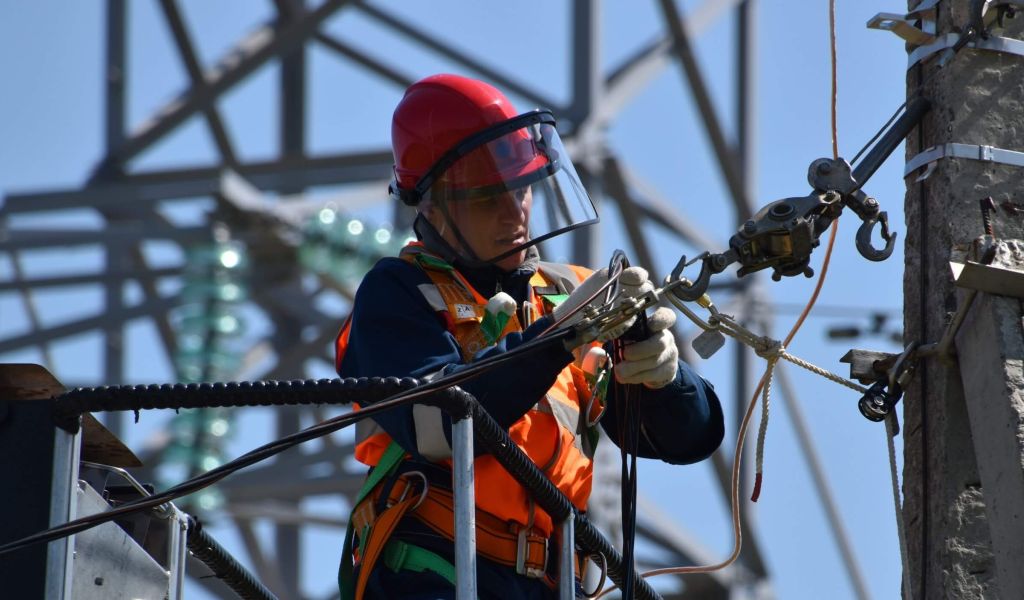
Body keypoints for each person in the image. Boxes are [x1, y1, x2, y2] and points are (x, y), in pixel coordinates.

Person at [335, 74, 724, 600]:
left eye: (520, 188)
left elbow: (685, 439)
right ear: (431, 207)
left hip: (549, 579)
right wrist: (555, 340)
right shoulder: (399, 292)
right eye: (486, 197)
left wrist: (664, 374)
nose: (513, 211)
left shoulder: (568, 293)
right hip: (435, 570)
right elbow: (435, 424)